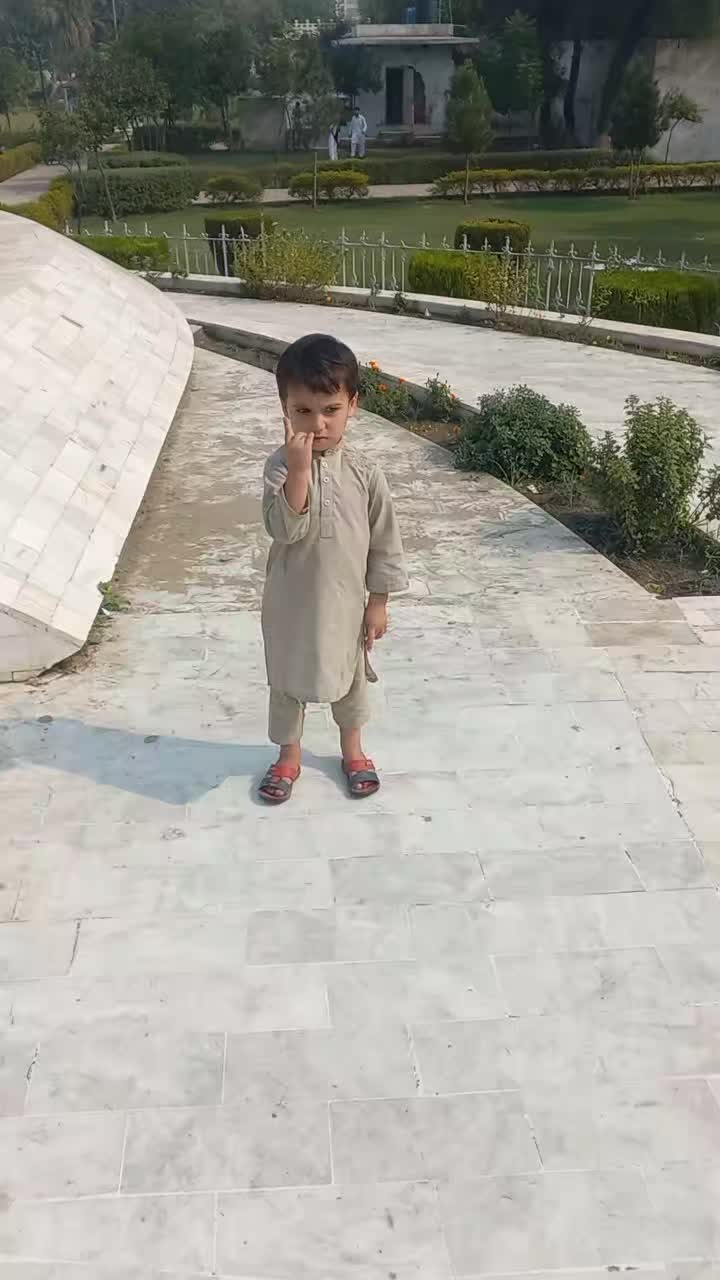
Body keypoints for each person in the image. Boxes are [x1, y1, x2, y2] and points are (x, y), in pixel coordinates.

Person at [259, 334, 408, 805]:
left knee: (351, 678)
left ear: (352, 406)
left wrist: (378, 602)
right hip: (290, 603)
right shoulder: (279, 467)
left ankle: (353, 750)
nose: (318, 423)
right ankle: (289, 755)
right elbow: (283, 529)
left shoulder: (364, 472)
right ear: (285, 408)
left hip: (345, 603)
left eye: (330, 409)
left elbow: (384, 540)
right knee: (287, 680)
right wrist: (300, 471)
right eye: (303, 411)